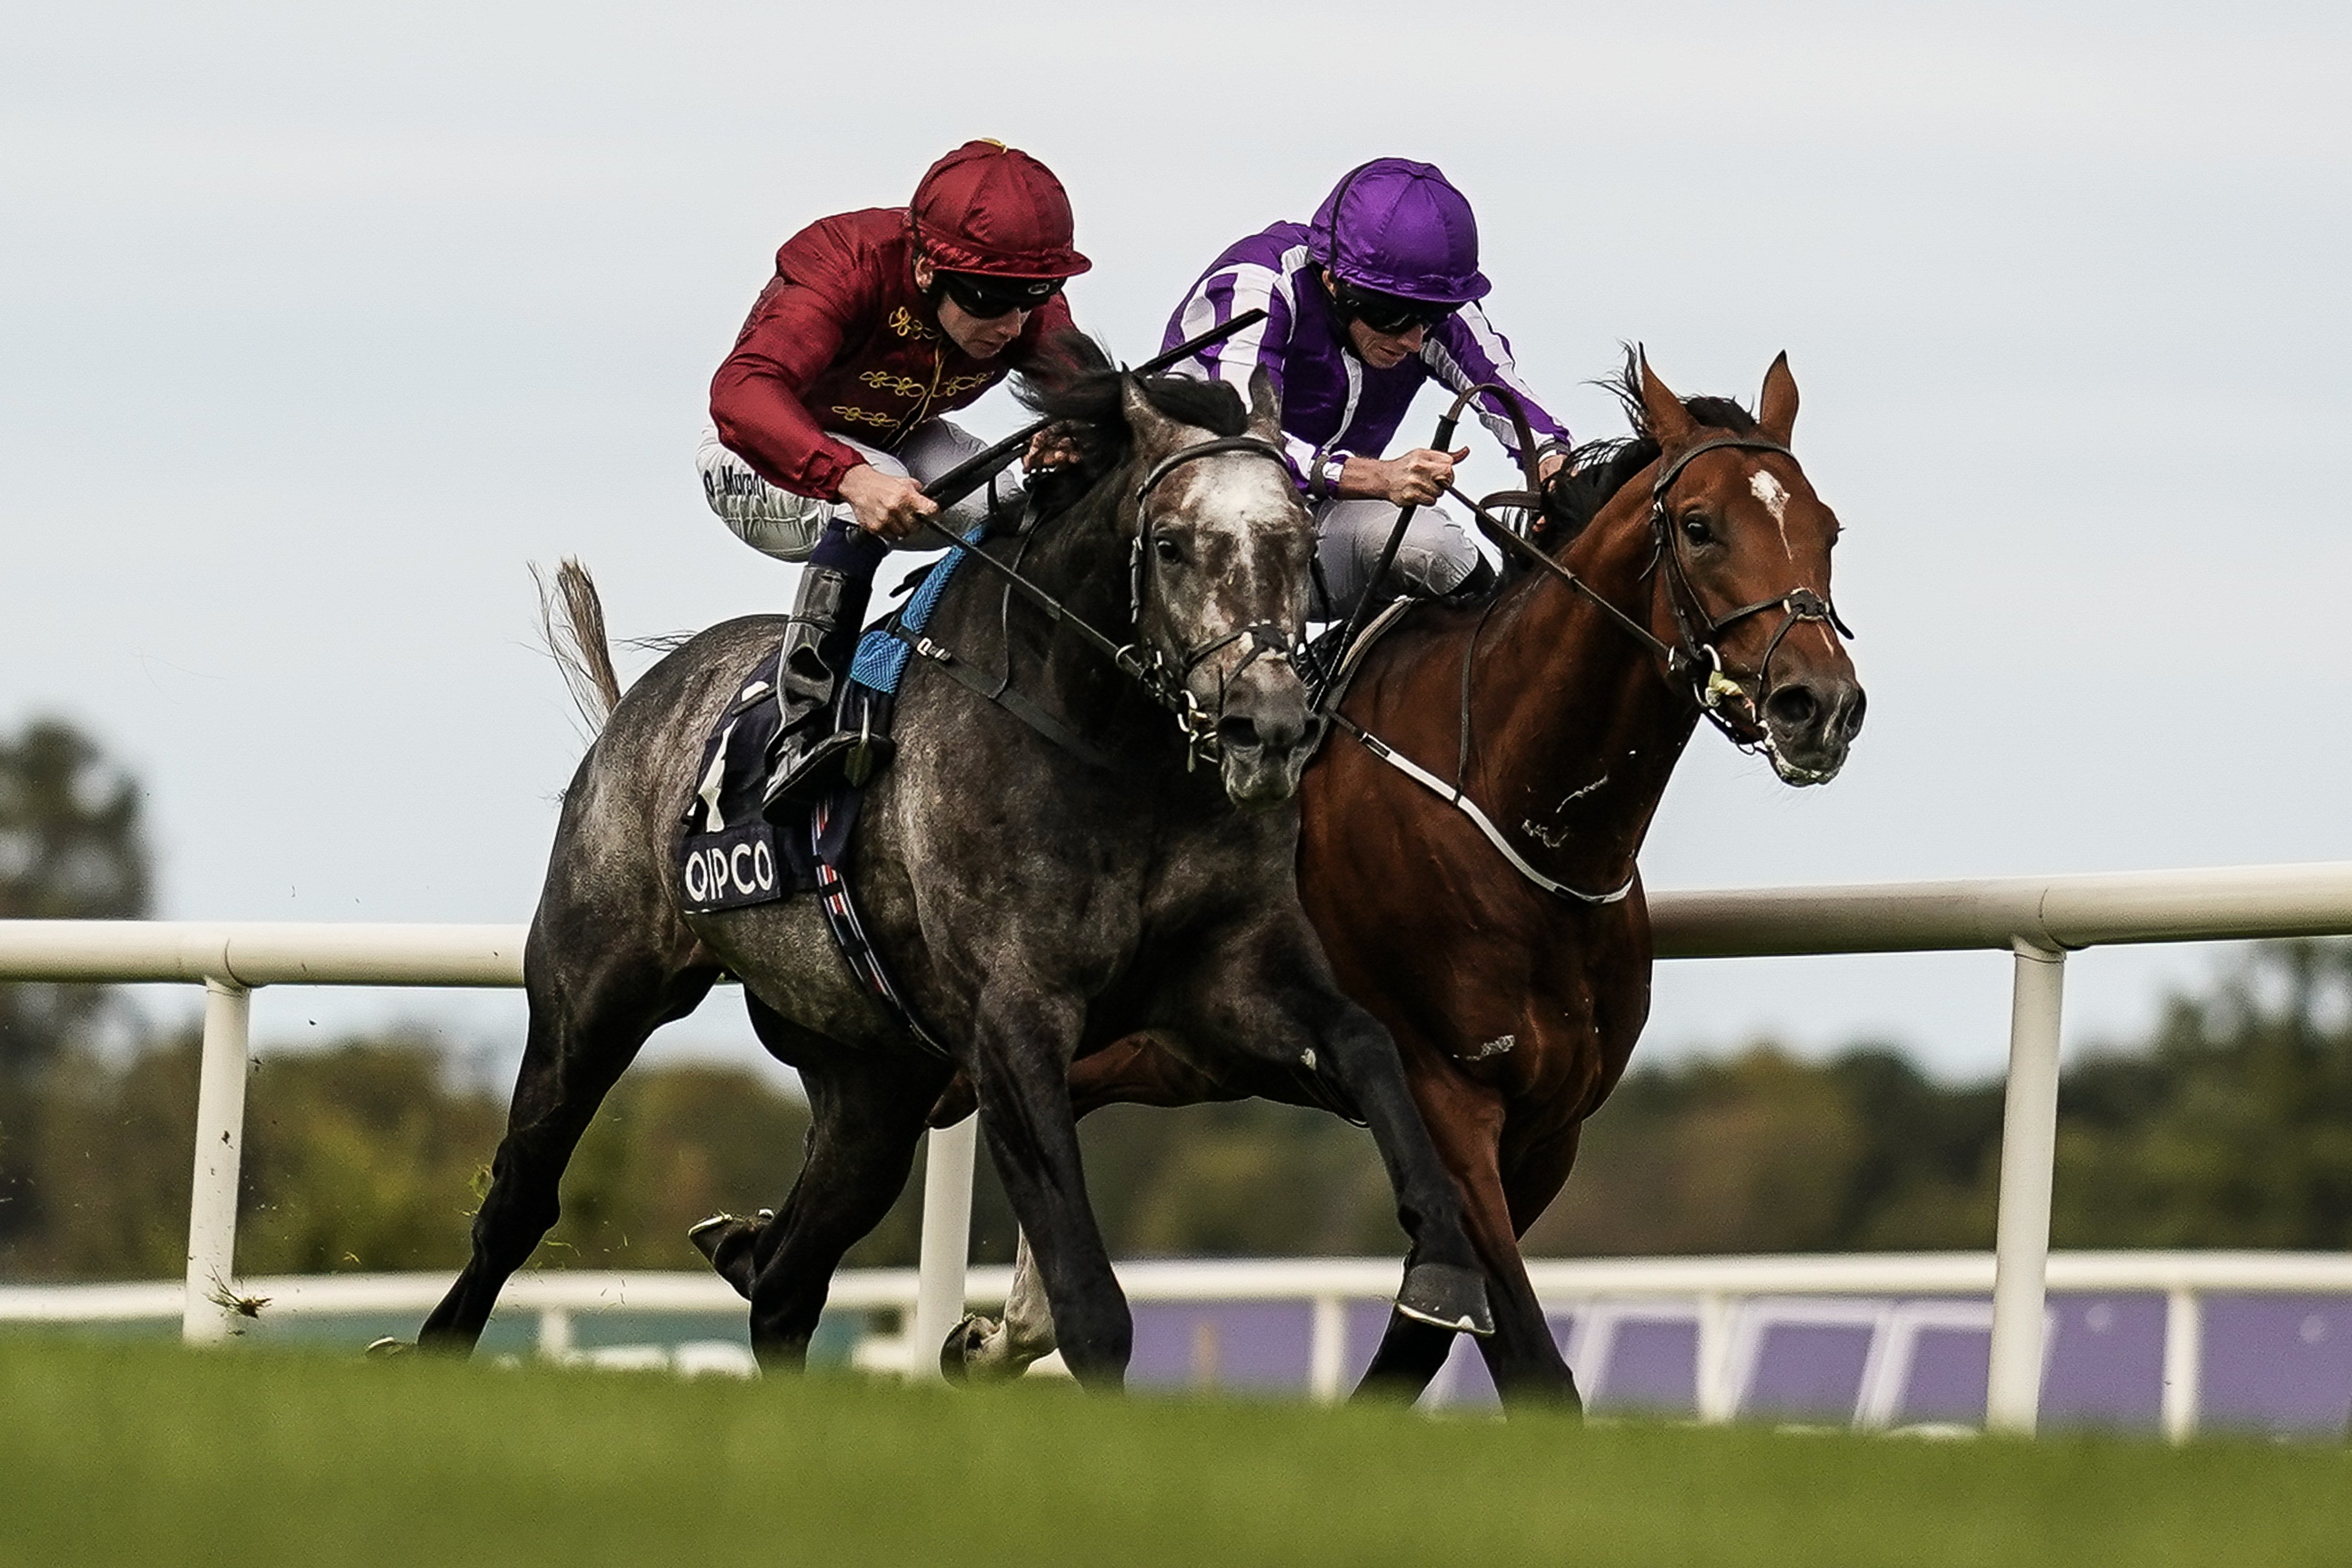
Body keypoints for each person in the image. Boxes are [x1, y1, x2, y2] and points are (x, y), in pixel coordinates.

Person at [700, 140, 1090, 805]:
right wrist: (849, 477)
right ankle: (801, 728)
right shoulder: (843, 265)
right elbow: (742, 391)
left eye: (1034, 298)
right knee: (879, 484)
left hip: (904, 437)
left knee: (1015, 496)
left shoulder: (1017, 302)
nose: (1013, 325)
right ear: (930, 269)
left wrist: (1073, 435)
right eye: (992, 301)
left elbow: (1088, 398)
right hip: (759, 450)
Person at [1162, 158, 1572, 621]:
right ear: (1334, 282)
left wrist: (1553, 466)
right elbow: (1244, 446)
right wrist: (1379, 477)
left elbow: (1512, 397)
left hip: (1310, 528)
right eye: (1394, 317)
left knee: (1433, 548)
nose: (1415, 339)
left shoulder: (1423, 305)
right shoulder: (1256, 285)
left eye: (1432, 319)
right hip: (1198, 535)